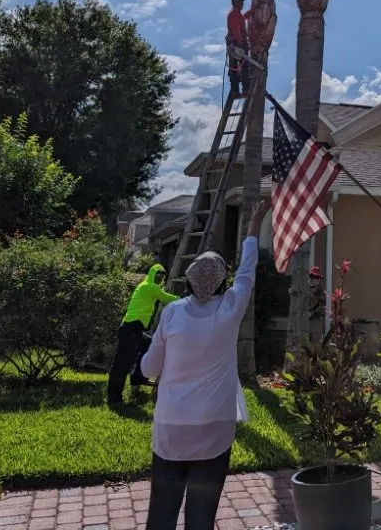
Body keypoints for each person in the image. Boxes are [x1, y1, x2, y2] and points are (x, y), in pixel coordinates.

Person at [140, 198, 270, 530]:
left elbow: (148, 370)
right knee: (202, 516)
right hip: (215, 429)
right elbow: (247, 271)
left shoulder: (172, 313)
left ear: (189, 277)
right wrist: (254, 227)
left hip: (171, 429)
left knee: (162, 512)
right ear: (222, 281)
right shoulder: (231, 309)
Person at [107, 263, 178, 406]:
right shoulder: (149, 287)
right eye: (157, 276)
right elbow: (167, 298)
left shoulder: (148, 286)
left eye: (162, 277)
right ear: (152, 275)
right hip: (130, 329)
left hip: (135, 330)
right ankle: (114, 398)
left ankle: (138, 376)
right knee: (121, 365)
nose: (159, 279)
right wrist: (186, 299)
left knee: (150, 346)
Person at [226, 0, 251, 98]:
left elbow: (242, 18)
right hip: (237, 42)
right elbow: (236, 28)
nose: (242, 4)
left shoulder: (235, 13)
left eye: (242, 2)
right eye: (240, 2)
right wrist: (240, 41)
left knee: (233, 67)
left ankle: (235, 91)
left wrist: (251, 11)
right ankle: (245, 89)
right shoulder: (235, 13)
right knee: (244, 66)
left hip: (232, 43)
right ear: (235, 3)